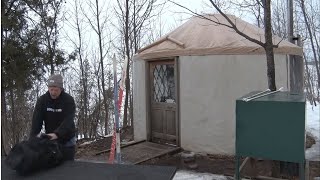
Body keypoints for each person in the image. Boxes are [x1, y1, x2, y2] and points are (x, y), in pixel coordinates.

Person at [30, 74, 76, 161]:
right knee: (53, 170)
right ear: (48, 88)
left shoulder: (68, 100)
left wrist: (57, 134)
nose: (53, 92)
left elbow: (68, 120)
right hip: (51, 140)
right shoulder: (42, 100)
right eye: (51, 89)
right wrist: (32, 138)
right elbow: (37, 121)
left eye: (56, 90)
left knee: (69, 169)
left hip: (67, 140)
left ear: (61, 89)